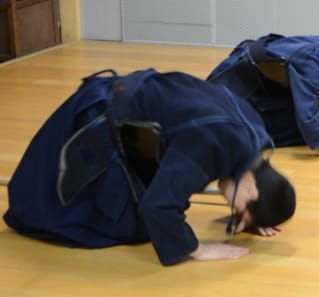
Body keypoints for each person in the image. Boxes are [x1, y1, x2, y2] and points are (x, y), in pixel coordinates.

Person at [3, 69, 296, 265]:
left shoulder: (256, 136)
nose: (231, 210)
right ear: (252, 187)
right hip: (99, 119)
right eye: (239, 209)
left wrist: (258, 212)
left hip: (127, 102)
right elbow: (158, 207)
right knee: (133, 227)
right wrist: (195, 248)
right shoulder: (212, 144)